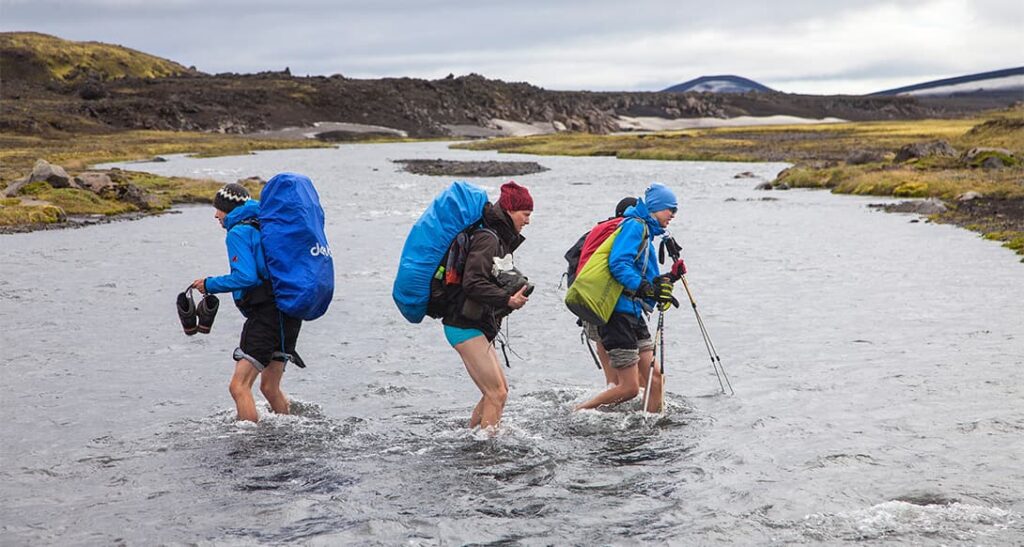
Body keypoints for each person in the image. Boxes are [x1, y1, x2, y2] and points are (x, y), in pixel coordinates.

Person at [190, 183, 303, 422]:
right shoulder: (265, 224)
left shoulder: (238, 232)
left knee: (238, 387)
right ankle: (284, 438)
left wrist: (209, 284)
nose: (215, 215)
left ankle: (250, 447)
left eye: (219, 209)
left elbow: (246, 276)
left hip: (266, 315)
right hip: (288, 312)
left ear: (229, 209)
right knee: (269, 388)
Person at [575, 183, 686, 412]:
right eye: (670, 209)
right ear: (655, 207)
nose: (673, 215)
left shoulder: (646, 231)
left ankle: (653, 430)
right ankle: (579, 412)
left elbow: (645, 280)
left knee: (656, 380)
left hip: (634, 313)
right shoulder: (635, 227)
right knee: (629, 389)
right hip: (618, 315)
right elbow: (619, 264)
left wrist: (670, 279)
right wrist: (645, 287)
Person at [443, 181, 533, 430]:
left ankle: (473, 439)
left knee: (498, 391)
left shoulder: (498, 237)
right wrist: (507, 300)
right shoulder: (488, 238)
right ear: (510, 211)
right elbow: (472, 283)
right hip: (463, 325)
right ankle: (486, 453)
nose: (528, 221)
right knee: (497, 393)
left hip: (473, 325)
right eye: (525, 215)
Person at [575, 197, 637, 386]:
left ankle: (610, 387)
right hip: (607, 302)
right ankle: (612, 394)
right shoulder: (622, 232)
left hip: (586, 297)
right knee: (625, 382)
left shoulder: (598, 231)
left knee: (612, 376)